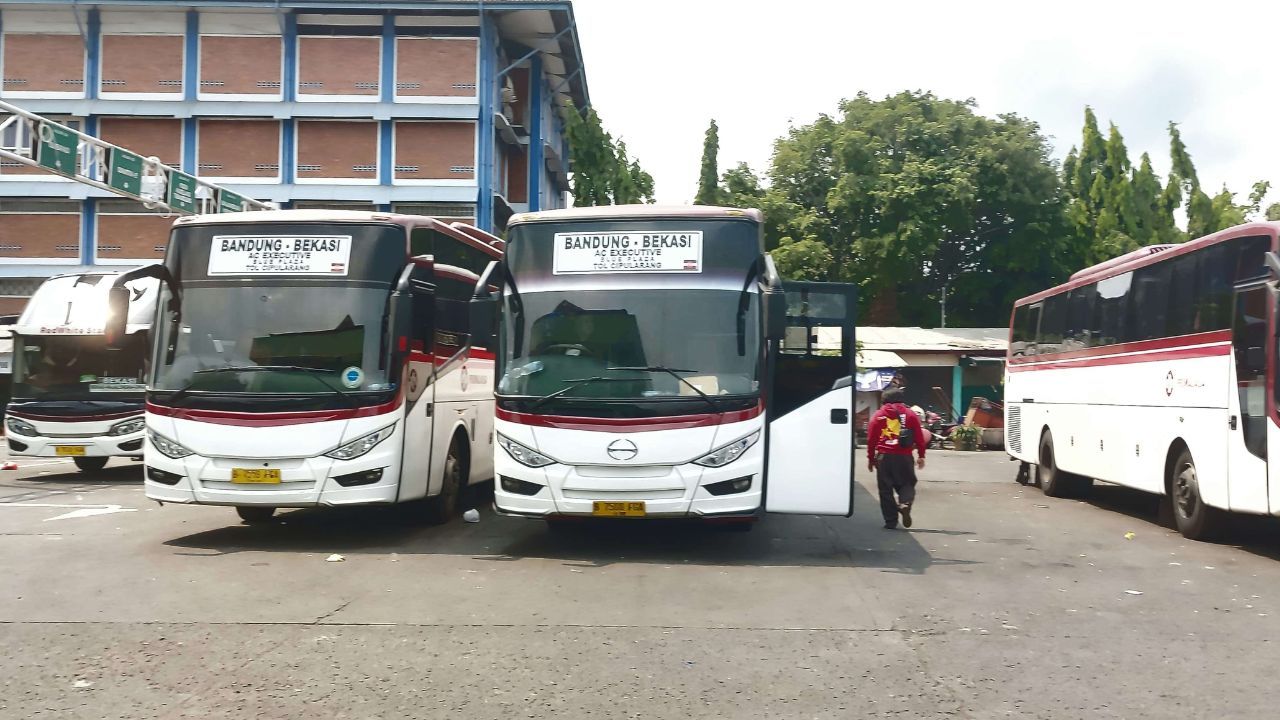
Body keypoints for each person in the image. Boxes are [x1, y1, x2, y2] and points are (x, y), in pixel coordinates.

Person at [867, 387, 926, 529]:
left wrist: (871, 459)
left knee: (885, 489)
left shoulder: (879, 415)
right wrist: (921, 455)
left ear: (884, 400)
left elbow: (871, 439)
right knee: (907, 484)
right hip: (904, 457)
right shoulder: (911, 414)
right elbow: (919, 437)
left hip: (884, 457)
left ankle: (891, 521)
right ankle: (905, 503)